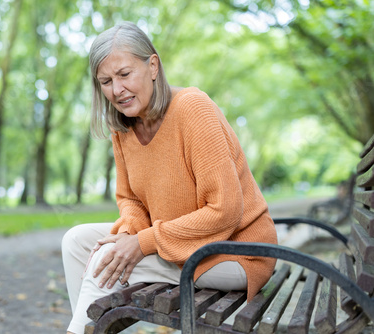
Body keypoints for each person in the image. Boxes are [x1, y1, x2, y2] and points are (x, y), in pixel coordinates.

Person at [61, 21, 278, 334]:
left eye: (124, 74)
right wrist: (131, 234)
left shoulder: (192, 109)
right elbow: (129, 199)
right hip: (180, 246)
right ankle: (89, 325)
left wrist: (142, 242)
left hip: (235, 253)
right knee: (76, 242)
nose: (117, 89)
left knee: (103, 261)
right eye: (105, 81)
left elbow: (226, 210)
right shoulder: (122, 128)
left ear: (152, 65)